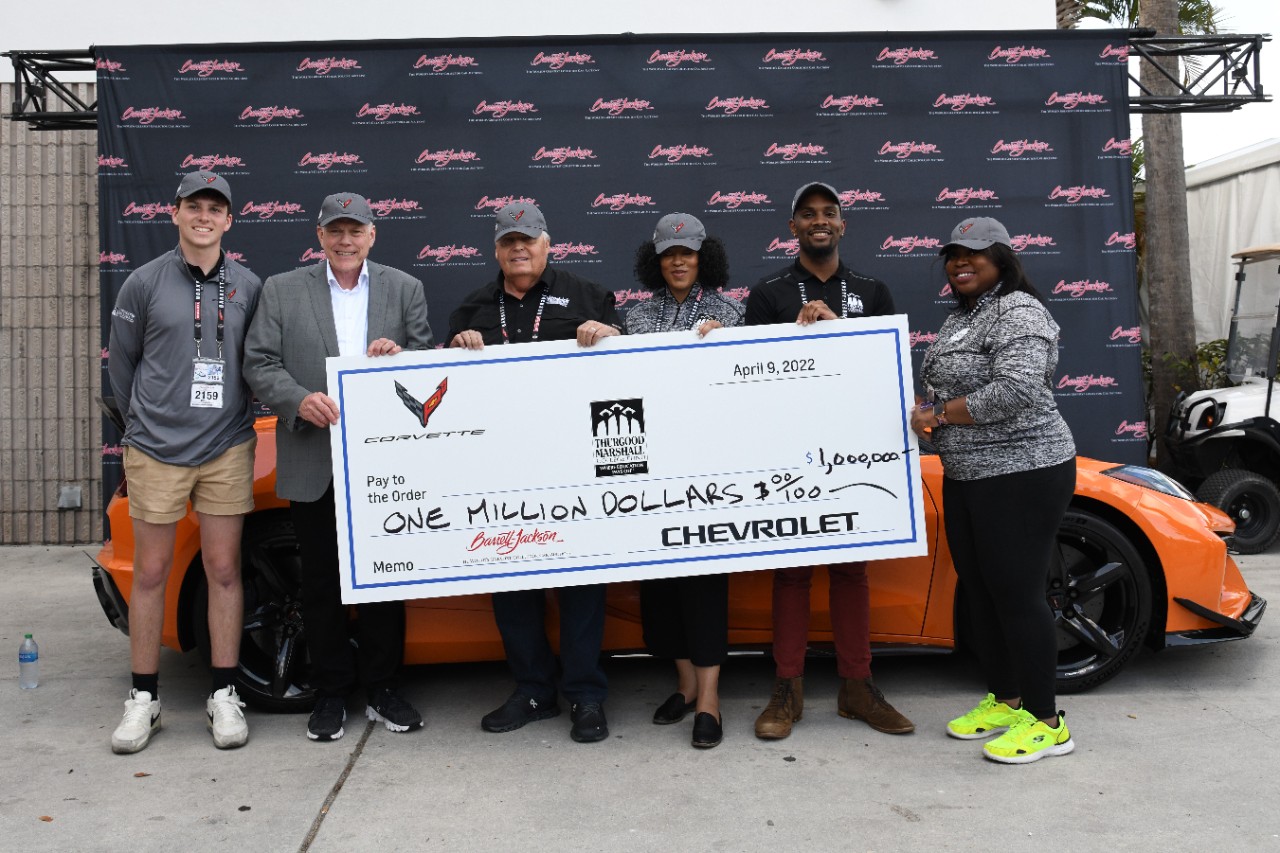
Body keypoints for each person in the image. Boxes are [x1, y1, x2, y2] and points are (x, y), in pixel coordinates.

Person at [243, 192, 435, 742]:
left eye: (356, 231)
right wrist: (299, 399)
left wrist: (399, 357)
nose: (346, 241)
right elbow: (259, 362)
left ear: (372, 235)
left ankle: (382, 689)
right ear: (320, 236)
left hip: (384, 462)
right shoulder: (282, 290)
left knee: (383, 579)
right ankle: (331, 693)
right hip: (312, 457)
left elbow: (425, 358)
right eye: (336, 231)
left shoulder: (405, 288)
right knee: (321, 583)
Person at [745, 181, 914, 739]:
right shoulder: (768, 293)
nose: (820, 221)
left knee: (851, 571)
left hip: (856, 451)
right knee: (791, 572)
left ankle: (857, 687)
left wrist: (842, 335)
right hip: (786, 450)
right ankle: (786, 687)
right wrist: (796, 339)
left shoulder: (872, 289)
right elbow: (745, 379)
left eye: (830, 213)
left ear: (843, 226)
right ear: (791, 228)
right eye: (807, 214)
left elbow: (887, 372)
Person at [448, 201, 622, 743]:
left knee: (581, 584)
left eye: (528, 239)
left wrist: (611, 334)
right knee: (512, 581)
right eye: (507, 241)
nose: (518, 248)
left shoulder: (590, 295)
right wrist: (455, 350)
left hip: (576, 462)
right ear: (496, 250)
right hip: (498, 468)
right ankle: (532, 689)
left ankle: (586, 696)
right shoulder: (472, 307)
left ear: (548, 244)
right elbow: (445, 389)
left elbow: (629, 371)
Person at [909, 216, 1076, 764]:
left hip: (1022, 471)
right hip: (968, 475)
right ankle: (1007, 700)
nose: (962, 262)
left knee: (1017, 594)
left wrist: (937, 415)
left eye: (975, 254)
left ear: (1003, 260)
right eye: (954, 254)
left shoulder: (1020, 311)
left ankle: (1048, 723)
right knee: (980, 591)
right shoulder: (963, 318)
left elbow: (1015, 389)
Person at [106, 170, 262, 753]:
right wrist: (145, 427)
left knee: (224, 570)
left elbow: (257, 362)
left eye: (214, 208)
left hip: (225, 446)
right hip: (157, 450)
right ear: (174, 213)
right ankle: (143, 699)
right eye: (193, 205)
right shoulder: (142, 283)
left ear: (228, 220)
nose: (203, 216)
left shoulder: (248, 284)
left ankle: (224, 695)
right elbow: (122, 368)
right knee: (151, 573)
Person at [624, 212, 742, 749]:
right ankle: (686, 685)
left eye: (688, 252)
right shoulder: (634, 316)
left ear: (704, 256)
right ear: (655, 259)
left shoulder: (731, 312)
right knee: (660, 590)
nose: (678, 260)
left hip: (711, 467)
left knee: (705, 587)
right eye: (669, 252)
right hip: (650, 470)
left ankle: (712, 700)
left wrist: (727, 349)